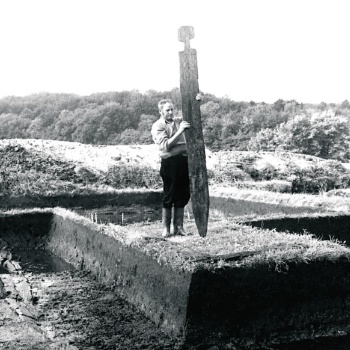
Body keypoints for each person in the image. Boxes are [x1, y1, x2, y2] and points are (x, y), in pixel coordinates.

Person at [151, 99, 191, 237]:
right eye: (167, 110)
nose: (170, 112)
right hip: (169, 163)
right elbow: (166, 146)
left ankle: (178, 227)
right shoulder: (158, 126)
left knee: (183, 194)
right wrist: (180, 132)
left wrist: (197, 99)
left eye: (172, 109)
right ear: (161, 111)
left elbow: (192, 115)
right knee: (169, 194)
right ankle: (166, 229)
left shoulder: (179, 121)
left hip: (183, 161)